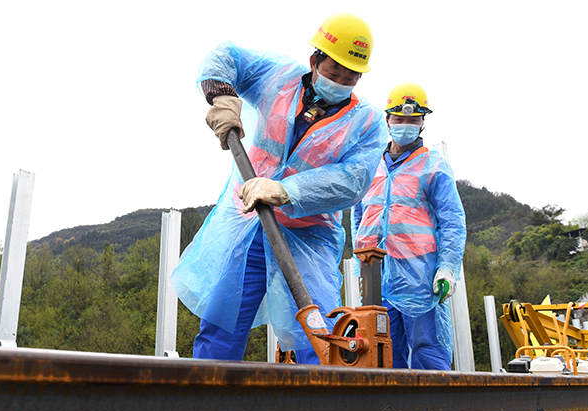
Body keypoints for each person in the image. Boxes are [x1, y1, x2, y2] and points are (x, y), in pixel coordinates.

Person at [170, 13, 388, 363]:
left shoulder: (367, 122)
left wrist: (287, 191)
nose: (341, 82)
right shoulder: (278, 78)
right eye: (334, 72)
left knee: (320, 337)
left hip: (308, 238)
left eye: (351, 77)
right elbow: (227, 57)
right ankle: (205, 403)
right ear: (315, 60)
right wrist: (223, 95)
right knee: (223, 323)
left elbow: (354, 179)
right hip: (250, 224)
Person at [353, 82, 466, 370]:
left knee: (428, 353)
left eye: (413, 119)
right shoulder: (369, 165)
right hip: (375, 277)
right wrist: (359, 263)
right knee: (381, 355)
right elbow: (359, 216)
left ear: (422, 122)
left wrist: (448, 268)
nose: (406, 124)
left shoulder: (433, 165)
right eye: (399, 118)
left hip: (420, 279)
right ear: (387, 119)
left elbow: (452, 221)